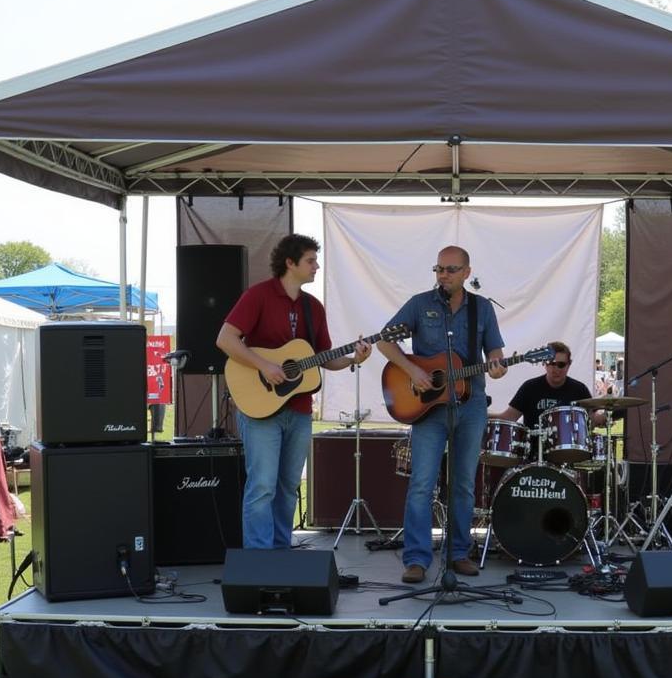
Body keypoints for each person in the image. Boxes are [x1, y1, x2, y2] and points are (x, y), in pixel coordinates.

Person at [216, 233, 370, 550]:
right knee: (262, 486)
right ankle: (259, 559)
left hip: (299, 411)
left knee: (287, 487)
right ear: (290, 263)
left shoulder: (314, 308)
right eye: (310, 261)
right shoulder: (258, 296)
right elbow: (226, 340)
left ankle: (281, 553)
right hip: (260, 409)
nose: (316, 267)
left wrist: (354, 358)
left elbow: (326, 357)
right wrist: (263, 366)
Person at [377, 246, 506, 583]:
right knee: (422, 483)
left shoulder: (482, 308)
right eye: (439, 269)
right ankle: (417, 559)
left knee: (463, 484)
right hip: (429, 408)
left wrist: (496, 364)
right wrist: (412, 370)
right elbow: (384, 341)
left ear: (466, 272)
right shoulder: (420, 304)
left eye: (451, 269)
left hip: (472, 404)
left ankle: (459, 553)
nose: (443, 275)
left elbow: (494, 349)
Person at [491, 340, 606, 440]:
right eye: (551, 363)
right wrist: (481, 415)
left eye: (561, 364)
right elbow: (508, 418)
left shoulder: (579, 389)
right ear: (544, 364)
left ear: (569, 365)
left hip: (568, 455)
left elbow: (591, 420)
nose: (556, 368)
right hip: (533, 456)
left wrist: (605, 414)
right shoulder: (529, 387)